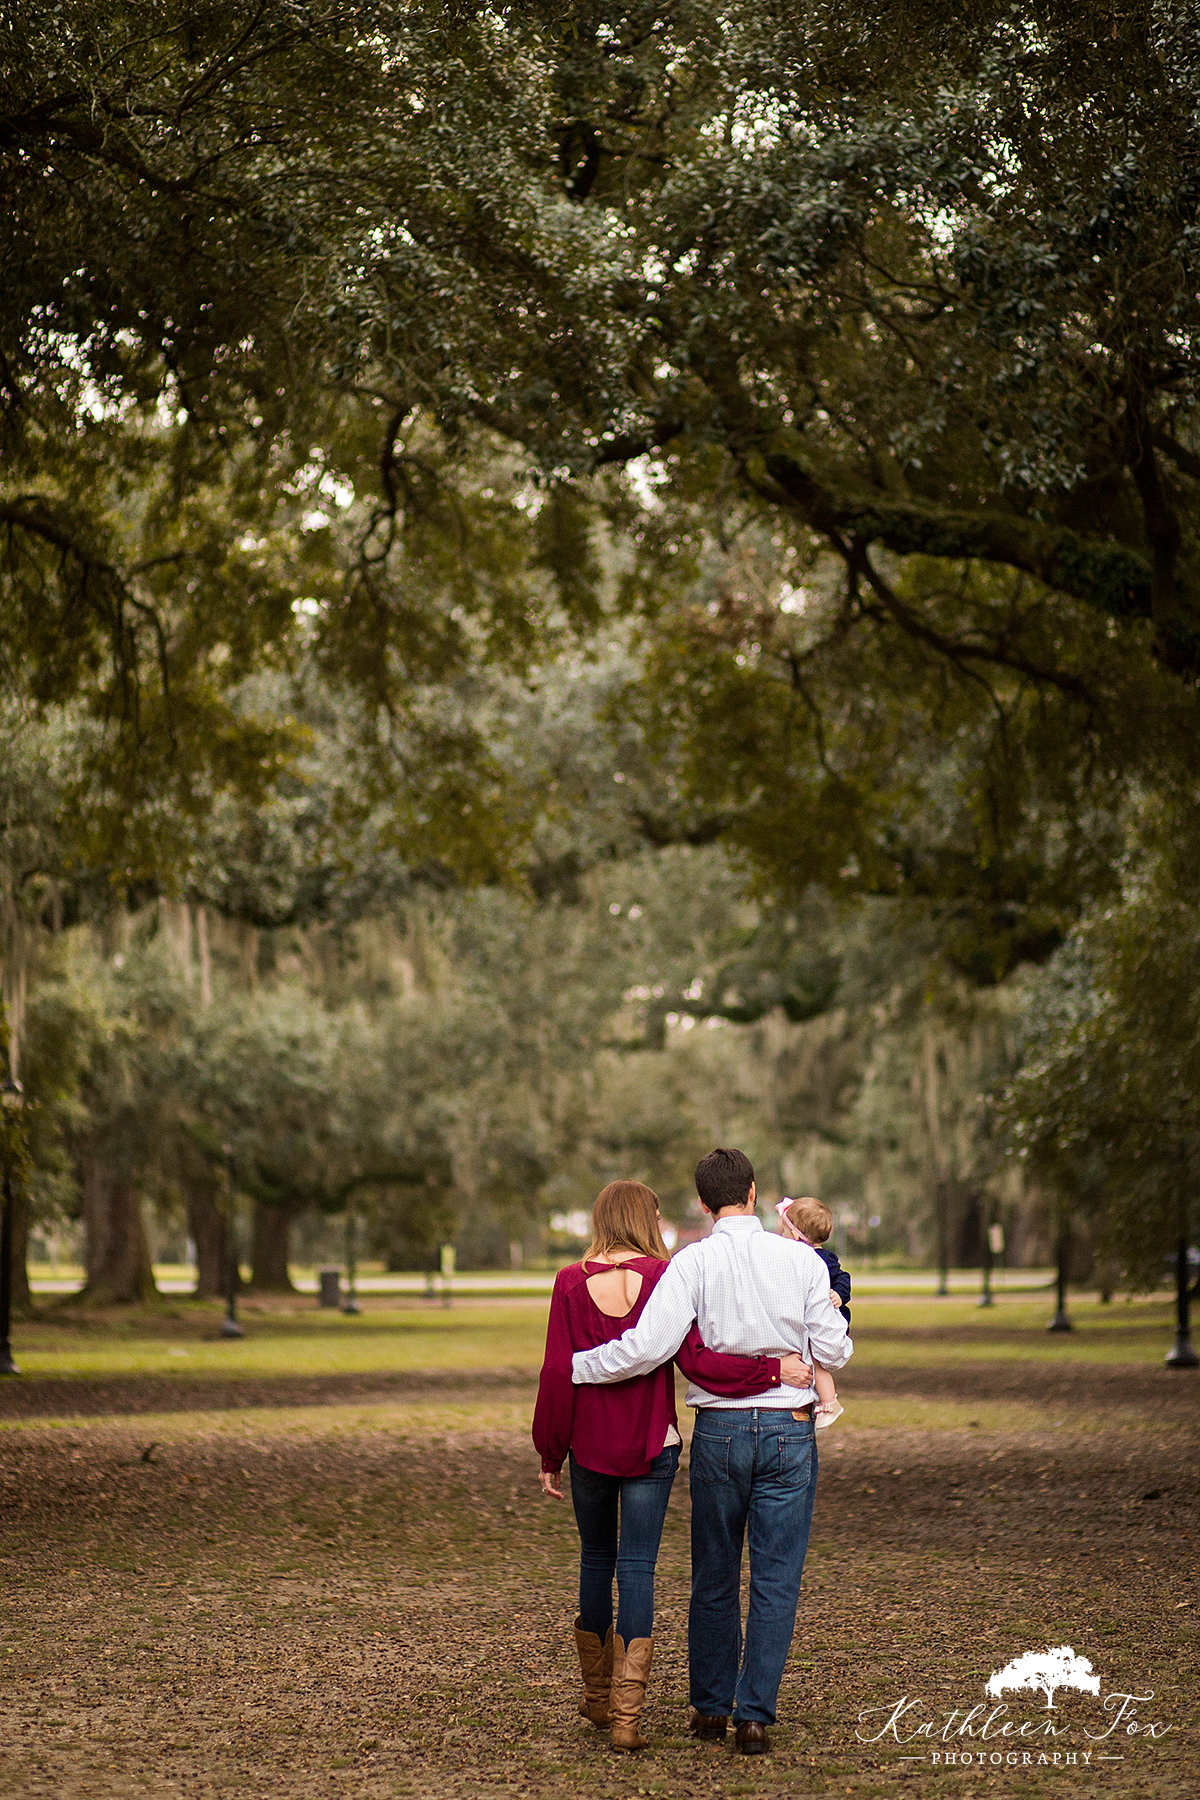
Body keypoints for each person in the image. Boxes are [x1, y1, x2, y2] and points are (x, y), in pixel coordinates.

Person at [571, 1148, 852, 1755]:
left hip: (720, 1431)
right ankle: (754, 1716)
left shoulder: (692, 1263)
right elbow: (836, 1351)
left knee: (715, 1572)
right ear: (753, 1192)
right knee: (776, 1577)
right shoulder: (801, 1261)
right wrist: (820, 1332)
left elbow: (648, 1347)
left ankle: (709, 1708)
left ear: (703, 1202)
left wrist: (579, 1366)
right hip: (789, 1428)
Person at [775, 1195, 850, 1429]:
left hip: (830, 1316)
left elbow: (843, 1278)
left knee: (818, 1363)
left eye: (784, 1232)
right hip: (810, 1317)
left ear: (795, 1235)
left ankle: (829, 1402)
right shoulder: (800, 1258)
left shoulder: (822, 1260)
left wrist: (839, 1294)